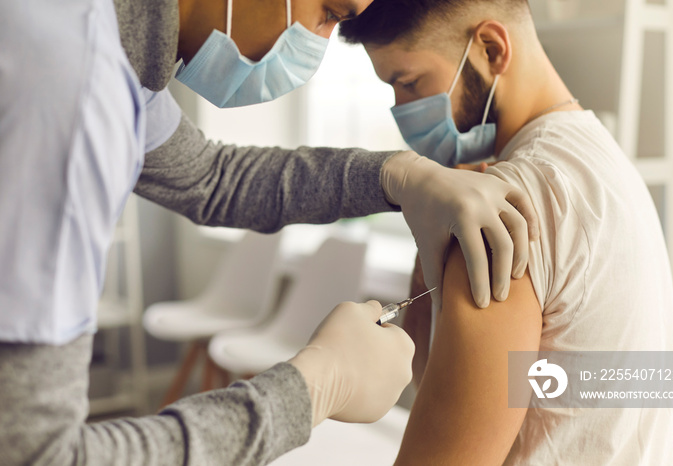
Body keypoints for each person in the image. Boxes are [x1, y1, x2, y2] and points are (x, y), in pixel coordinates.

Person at [0, 0, 544, 464]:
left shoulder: (100, 46)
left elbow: (209, 177)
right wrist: (310, 389)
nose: (319, 44)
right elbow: (41, 456)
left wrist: (392, 176)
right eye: (329, 14)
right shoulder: (72, 92)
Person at [339, 0, 673, 464]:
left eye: (410, 82)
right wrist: (427, 262)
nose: (401, 110)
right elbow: (446, 385)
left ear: (492, 49)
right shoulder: (603, 160)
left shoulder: (507, 203)